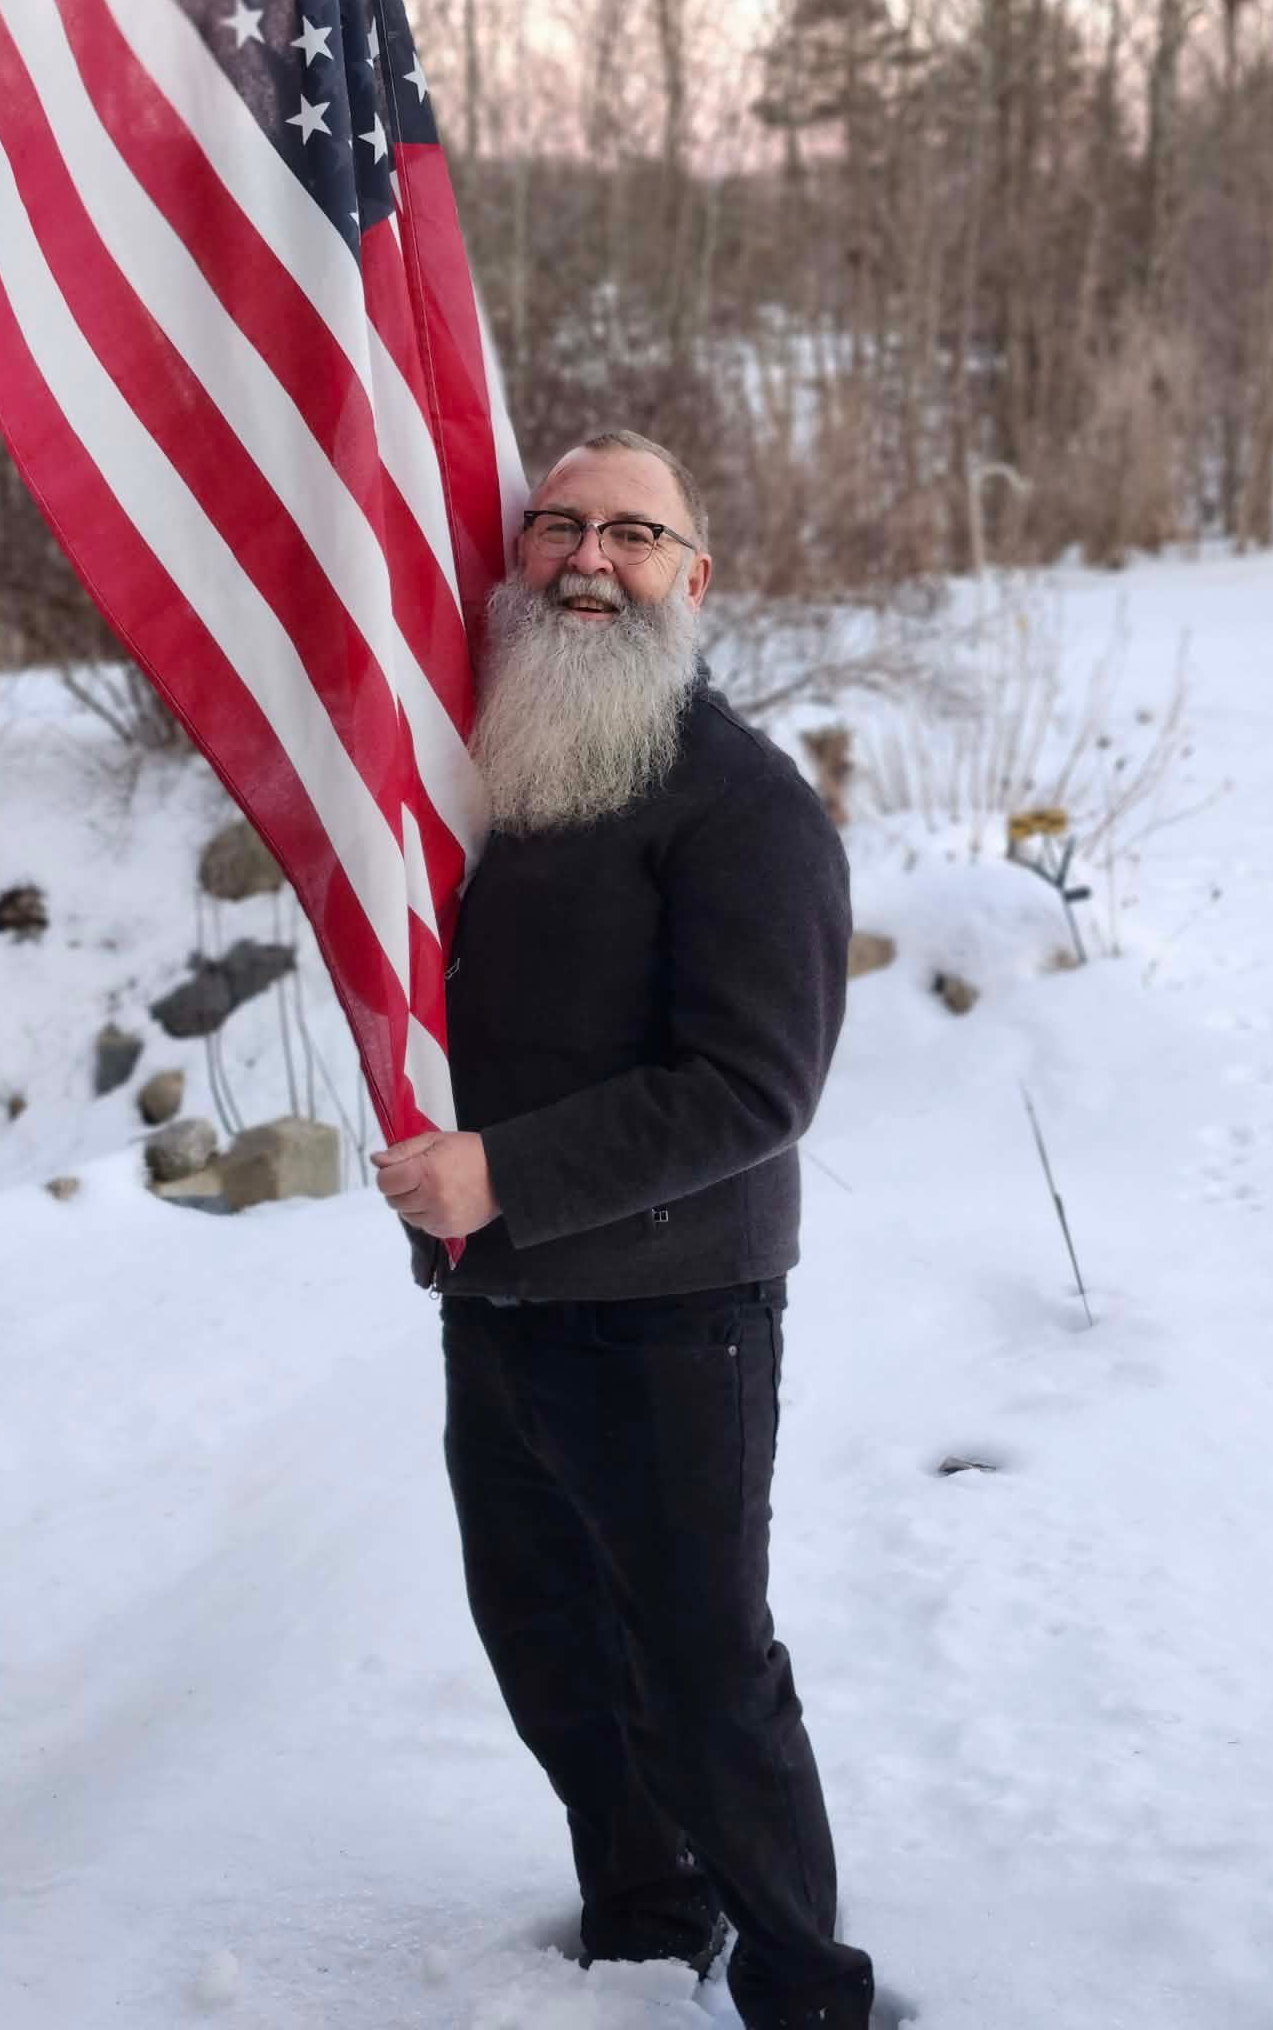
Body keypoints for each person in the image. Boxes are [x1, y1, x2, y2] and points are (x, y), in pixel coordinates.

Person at [372, 430, 876, 2029]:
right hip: (500, 1302)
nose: (590, 560)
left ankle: (807, 1984)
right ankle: (647, 1923)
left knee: (702, 1674)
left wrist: (503, 1172)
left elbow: (755, 1084)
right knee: (549, 1650)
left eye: (633, 536)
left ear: (693, 578)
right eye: (559, 528)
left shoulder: (743, 802)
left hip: (675, 1315)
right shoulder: (499, 769)